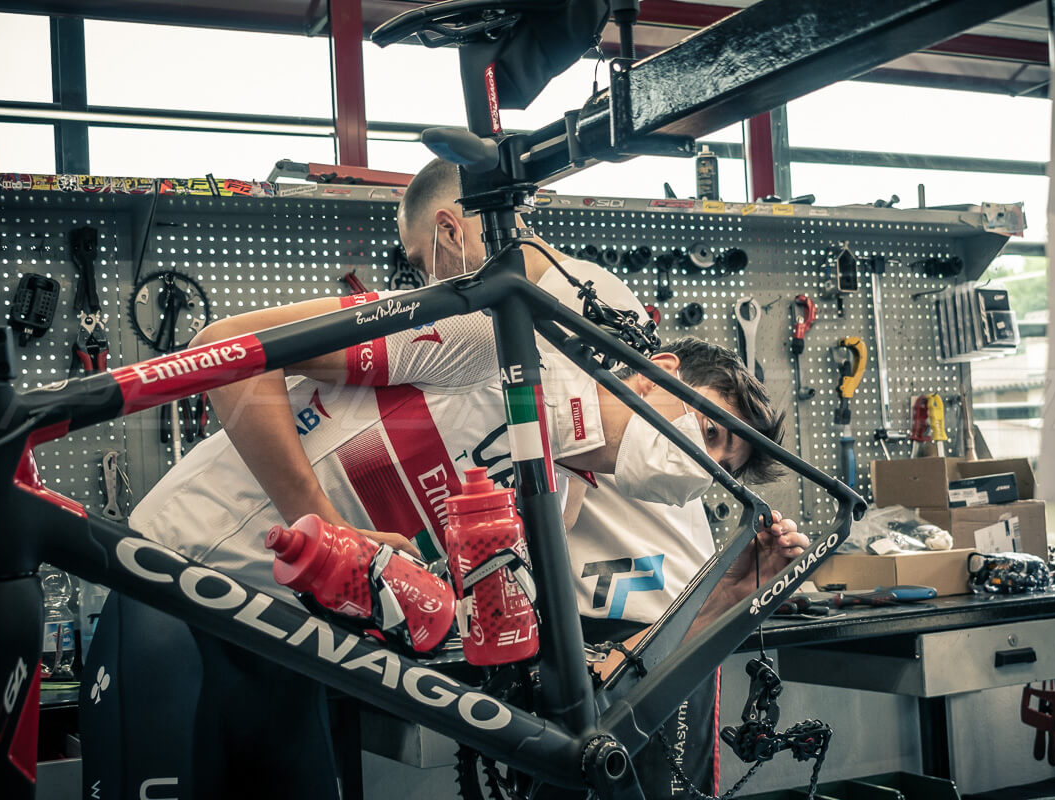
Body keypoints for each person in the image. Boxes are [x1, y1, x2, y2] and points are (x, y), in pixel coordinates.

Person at [79, 159, 805, 799]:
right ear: (662, 379)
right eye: (707, 434)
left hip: (285, 633)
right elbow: (227, 349)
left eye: (717, 465)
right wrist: (326, 525)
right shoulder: (482, 339)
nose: (694, 465)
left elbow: (599, 671)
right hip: (171, 584)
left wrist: (724, 599)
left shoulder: (562, 494)